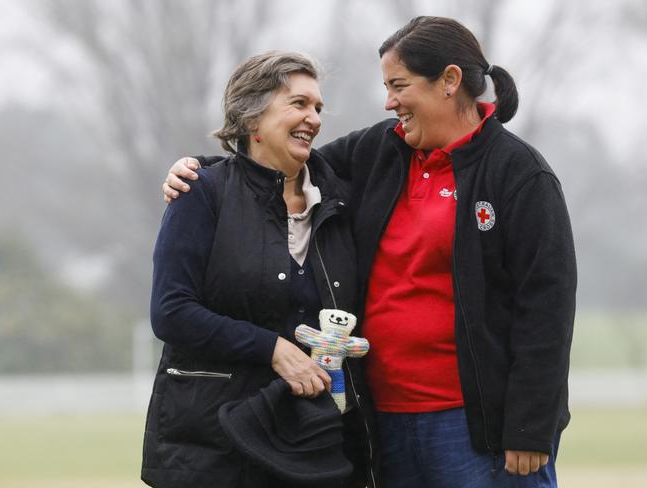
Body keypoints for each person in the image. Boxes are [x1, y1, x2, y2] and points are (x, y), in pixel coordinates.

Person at [163, 17, 576, 488]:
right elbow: (279, 161)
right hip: (386, 420)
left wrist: (530, 425)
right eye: (387, 87)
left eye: (399, 86)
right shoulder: (379, 150)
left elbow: (548, 307)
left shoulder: (519, 174)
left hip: (477, 428)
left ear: (449, 81)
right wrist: (202, 172)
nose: (389, 101)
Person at [143, 51, 377, 488]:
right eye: (299, 103)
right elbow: (171, 311)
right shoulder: (201, 192)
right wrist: (273, 349)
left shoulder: (339, 199)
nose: (315, 118)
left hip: (315, 446)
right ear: (252, 118)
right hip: (213, 449)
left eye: (318, 108)